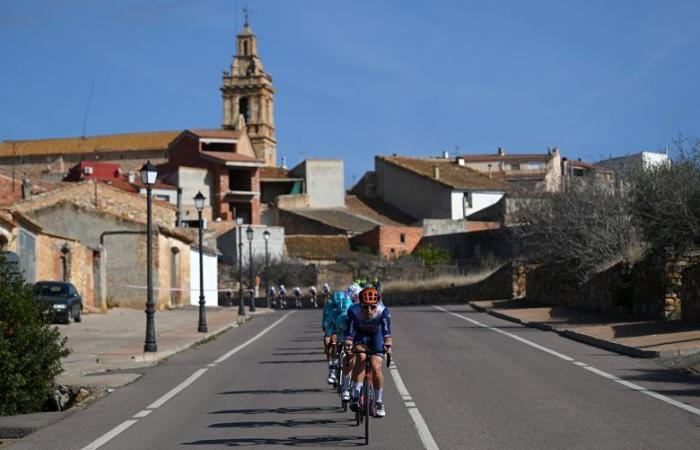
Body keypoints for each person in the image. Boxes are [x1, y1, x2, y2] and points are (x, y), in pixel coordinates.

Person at [344, 286, 392, 418]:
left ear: (377, 305)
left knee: (376, 367)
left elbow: (387, 333)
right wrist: (348, 342)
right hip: (360, 334)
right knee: (360, 357)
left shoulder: (383, 311)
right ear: (361, 305)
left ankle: (378, 402)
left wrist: (388, 345)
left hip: (376, 335)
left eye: (372, 307)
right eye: (365, 307)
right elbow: (350, 330)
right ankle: (356, 395)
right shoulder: (354, 311)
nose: (369, 310)